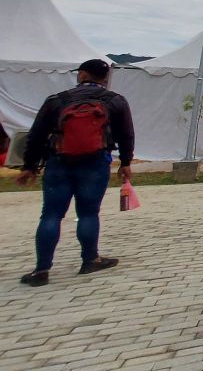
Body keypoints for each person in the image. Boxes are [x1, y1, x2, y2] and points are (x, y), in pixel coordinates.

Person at [17, 59, 135, 287]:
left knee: (51, 215)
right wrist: (126, 162)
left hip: (59, 162)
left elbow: (37, 135)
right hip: (95, 162)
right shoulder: (115, 101)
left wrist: (29, 167)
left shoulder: (58, 100)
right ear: (105, 78)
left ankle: (41, 270)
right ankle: (90, 259)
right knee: (89, 213)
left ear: (82, 75)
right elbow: (126, 134)